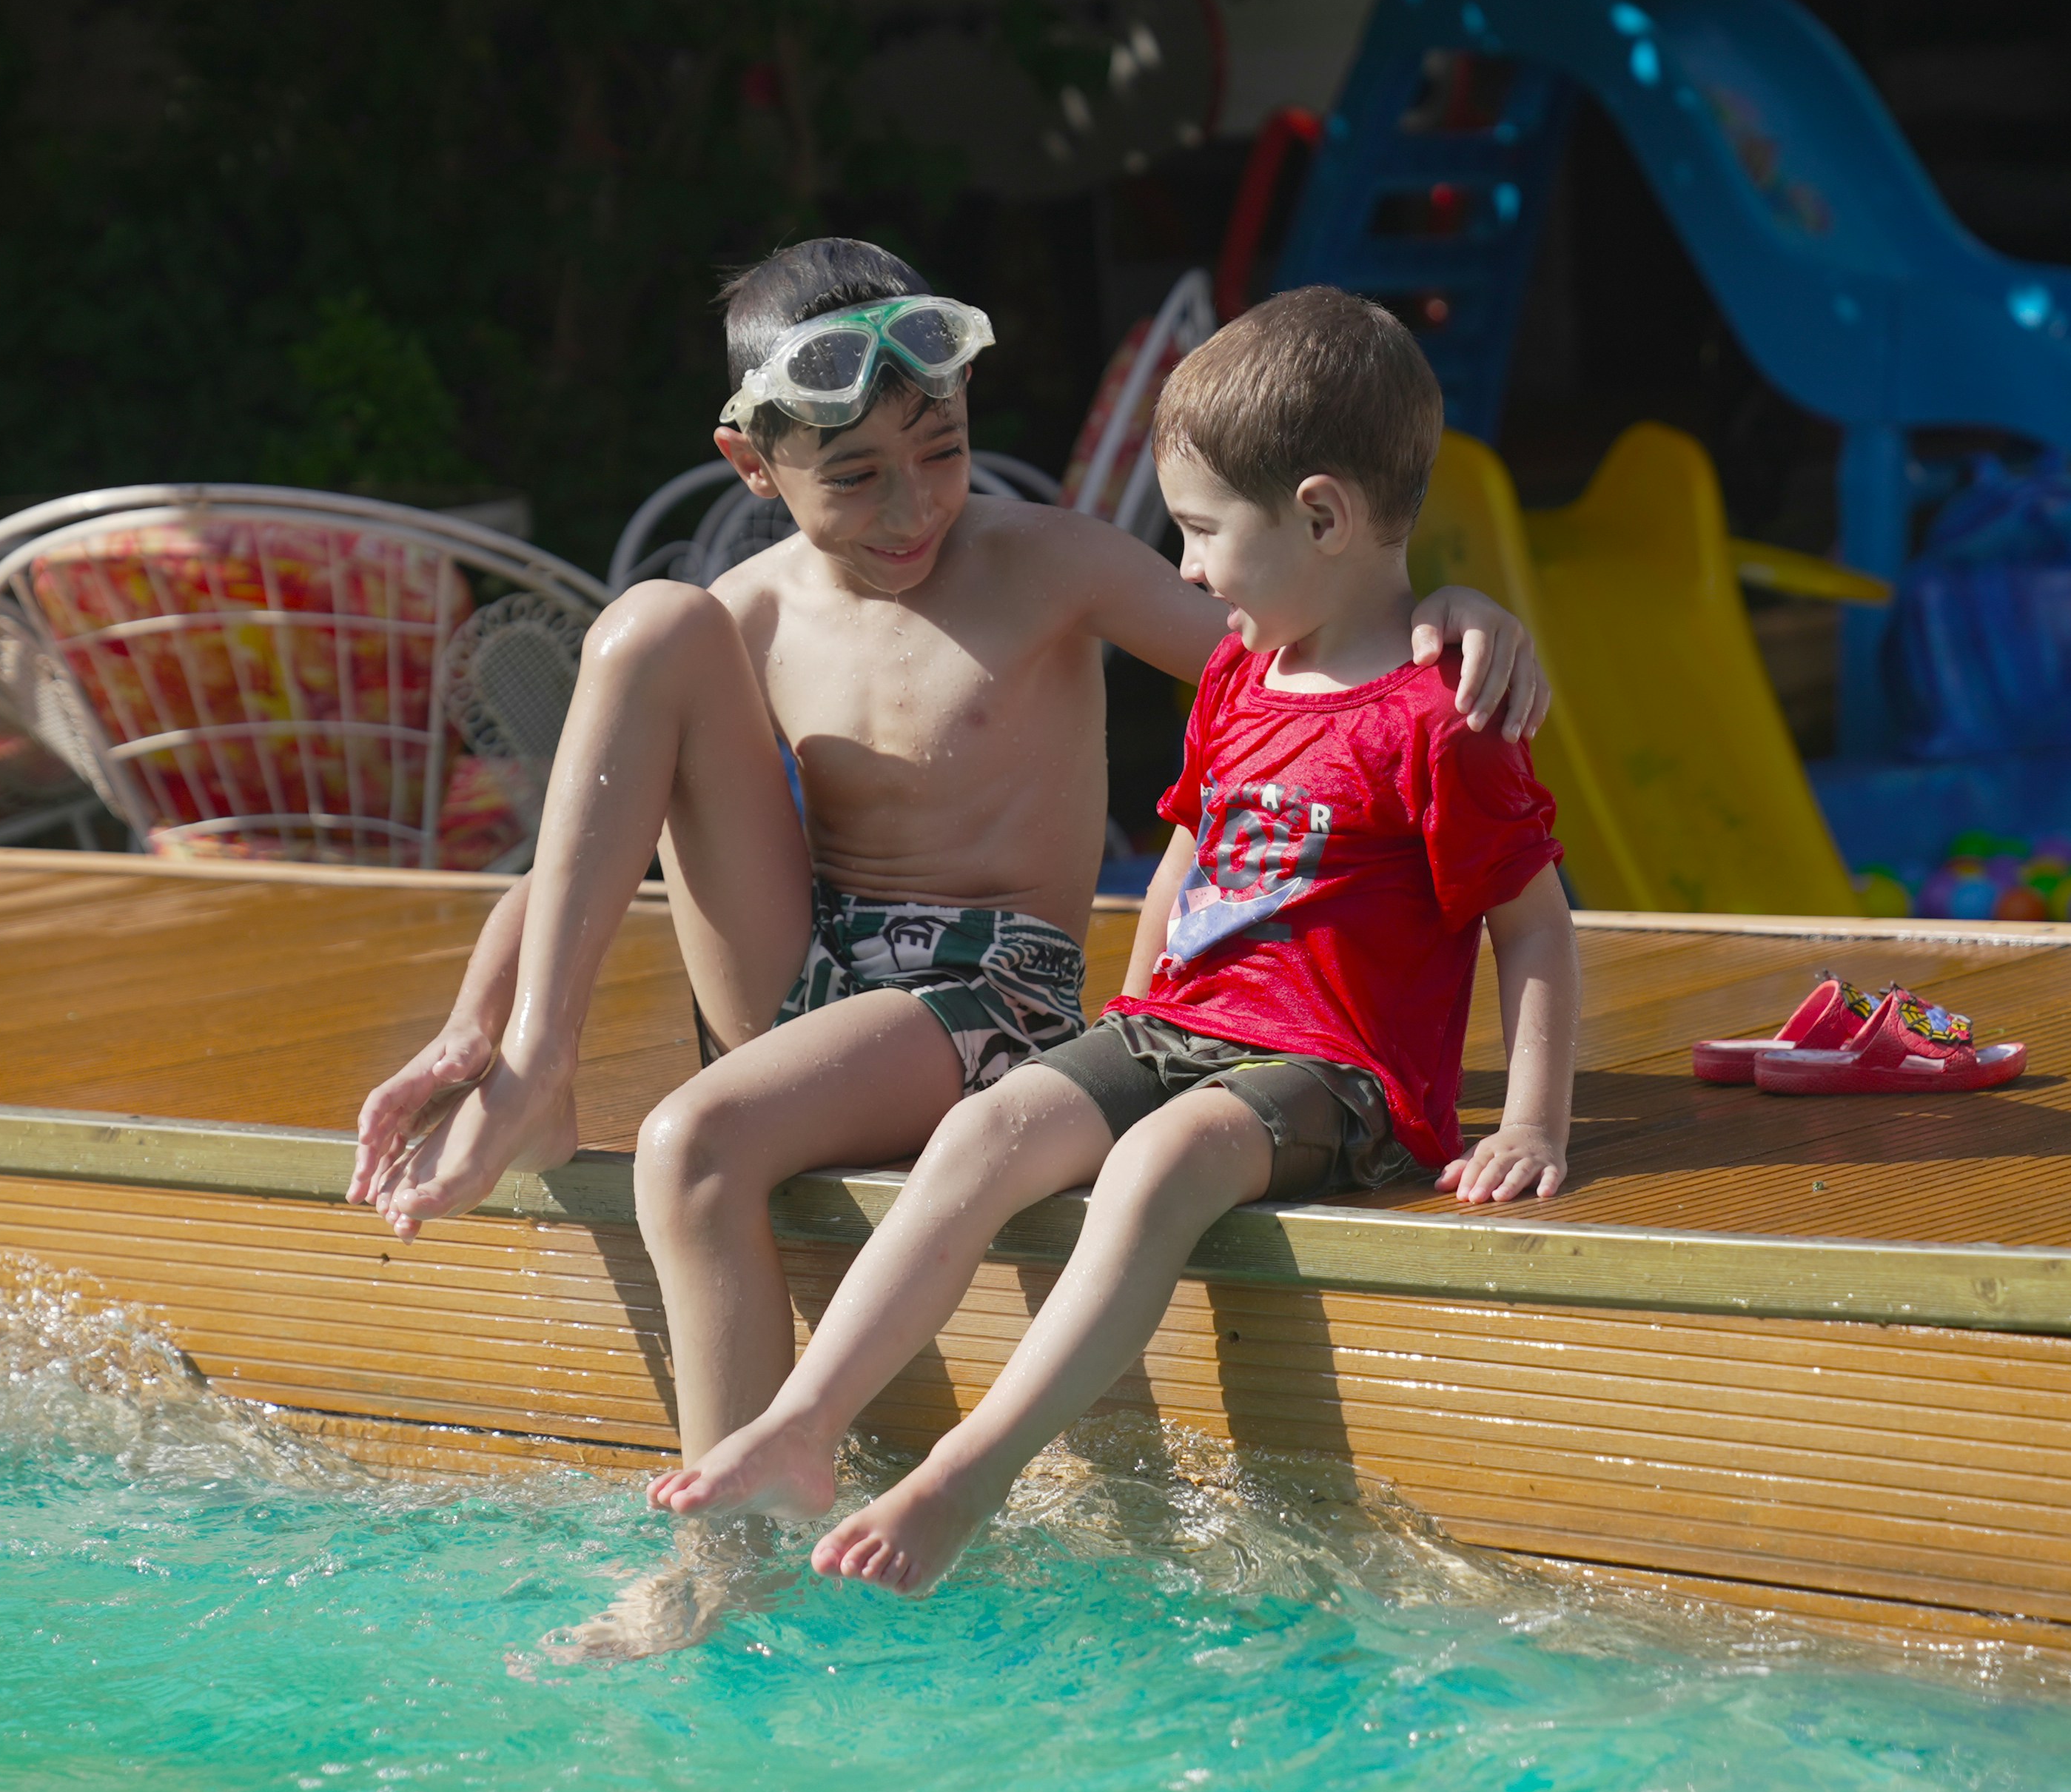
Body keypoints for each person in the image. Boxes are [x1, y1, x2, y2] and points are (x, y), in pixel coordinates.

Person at [344, 238, 1548, 1496]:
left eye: (942, 454)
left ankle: (726, 1533)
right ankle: (543, 1073)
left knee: (689, 1141)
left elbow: (1302, 650)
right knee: (647, 622)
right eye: (857, 476)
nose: (914, 507)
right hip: (806, 983)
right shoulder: (743, 613)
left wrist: (1442, 614)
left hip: (991, 1002)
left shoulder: (1051, 563)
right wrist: (480, 1028)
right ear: (754, 465)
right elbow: (592, 855)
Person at [648, 286, 1580, 1597]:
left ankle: (965, 1472)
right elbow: (1195, 849)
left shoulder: (1441, 721)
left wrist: (1531, 1123)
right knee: (989, 1129)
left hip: (1339, 1070)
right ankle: (802, 1422)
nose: (1187, 568)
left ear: (1319, 518)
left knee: (1158, 1166)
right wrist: (1122, 1027)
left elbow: (1535, 929)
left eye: (1201, 532)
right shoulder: (1244, 675)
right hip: (1177, 1027)